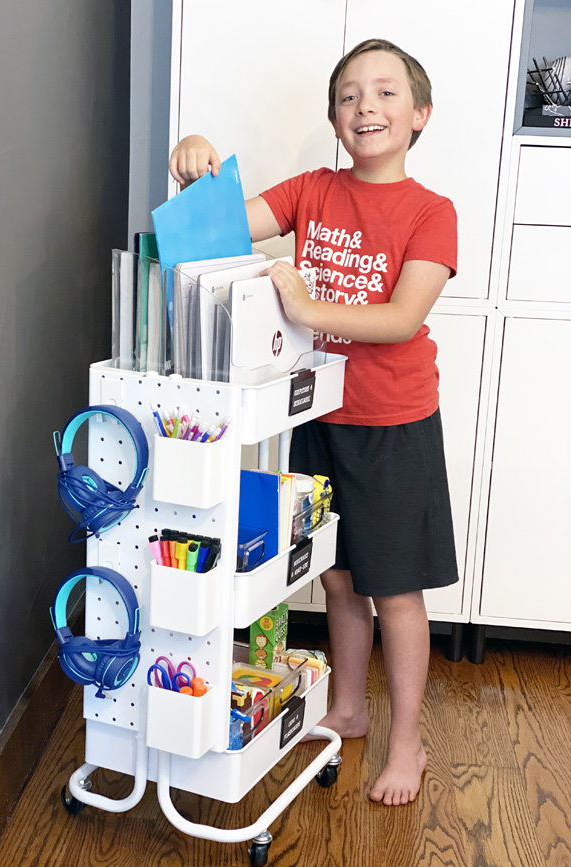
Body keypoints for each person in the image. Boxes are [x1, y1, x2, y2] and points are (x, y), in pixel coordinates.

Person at [169, 38, 459, 807]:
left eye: (387, 93)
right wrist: (195, 160)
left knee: (394, 588)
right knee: (334, 576)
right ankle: (351, 708)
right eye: (349, 95)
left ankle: (409, 742)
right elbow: (222, 228)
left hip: (393, 424)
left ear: (420, 115)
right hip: (316, 412)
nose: (366, 106)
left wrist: (303, 305)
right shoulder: (312, 189)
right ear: (334, 119)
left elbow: (400, 318)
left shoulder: (434, 212)